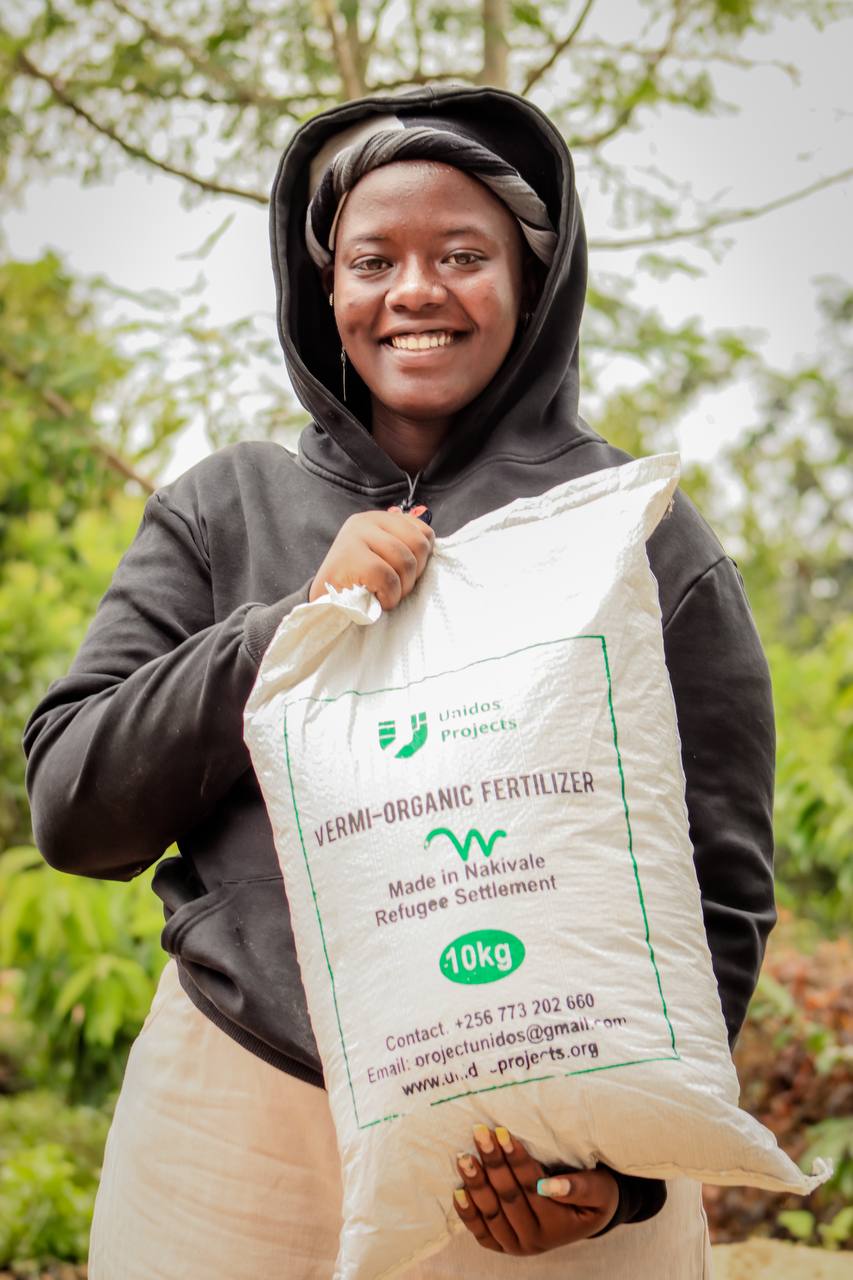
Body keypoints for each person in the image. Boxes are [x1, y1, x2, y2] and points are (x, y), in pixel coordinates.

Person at [23, 84, 775, 1278]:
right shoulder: (229, 509)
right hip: (235, 1132)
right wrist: (291, 629)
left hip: (531, 1154)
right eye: (373, 258)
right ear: (326, 290)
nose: (414, 290)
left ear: (533, 283)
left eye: (462, 254)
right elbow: (72, 806)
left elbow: (721, 884)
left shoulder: (636, 535)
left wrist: (619, 1176)